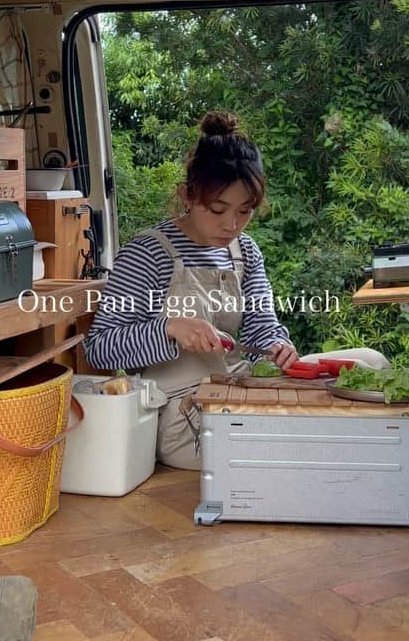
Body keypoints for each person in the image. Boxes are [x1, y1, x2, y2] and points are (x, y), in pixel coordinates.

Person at [84, 110, 299, 469]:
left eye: (245, 211)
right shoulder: (149, 252)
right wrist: (168, 329)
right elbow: (100, 350)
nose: (232, 224)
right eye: (218, 209)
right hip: (182, 417)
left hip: (238, 390)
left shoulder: (244, 251)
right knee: (305, 438)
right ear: (187, 195)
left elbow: (262, 328)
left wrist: (278, 346)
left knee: (368, 367)